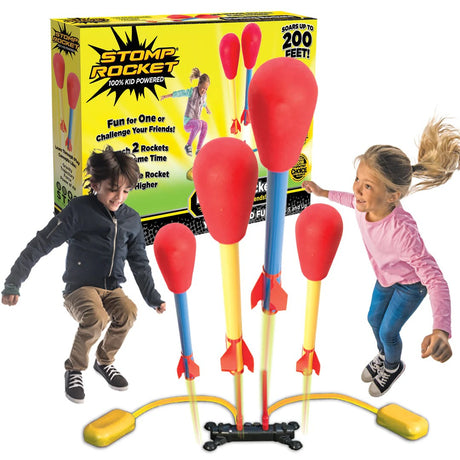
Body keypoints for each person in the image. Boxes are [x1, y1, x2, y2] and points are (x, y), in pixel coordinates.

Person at [303, 118, 460, 396]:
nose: (357, 190)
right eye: (357, 179)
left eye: (367, 186)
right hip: (385, 277)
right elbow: (348, 199)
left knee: (388, 330)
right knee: (373, 319)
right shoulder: (363, 205)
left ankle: (393, 365)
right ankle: (384, 355)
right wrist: (323, 192)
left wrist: (441, 330)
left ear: (392, 196)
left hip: (411, 286)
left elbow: (435, 279)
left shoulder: (403, 232)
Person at [2, 146, 166, 403]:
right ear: (96, 184)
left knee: (128, 312)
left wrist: (152, 297)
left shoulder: (131, 219)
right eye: (113, 189)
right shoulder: (79, 210)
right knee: (96, 317)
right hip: (79, 288)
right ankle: (75, 369)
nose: (119, 197)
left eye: (126, 191)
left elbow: (140, 262)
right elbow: (41, 243)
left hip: (112, 288)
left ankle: (104, 361)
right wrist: (14, 282)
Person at [161, 67, 211, 156]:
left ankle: (198, 149)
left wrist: (207, 109)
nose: (204, 90)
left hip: (196, 123)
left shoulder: (204, 95)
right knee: (199, 123)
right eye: (203, 88)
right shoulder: (192, 91)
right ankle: (188, 145)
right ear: (198, 84)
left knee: (205, 125)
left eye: (206, 89)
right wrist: (166, 96)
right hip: (188, 122)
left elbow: (204, 102)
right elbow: (180, 93)